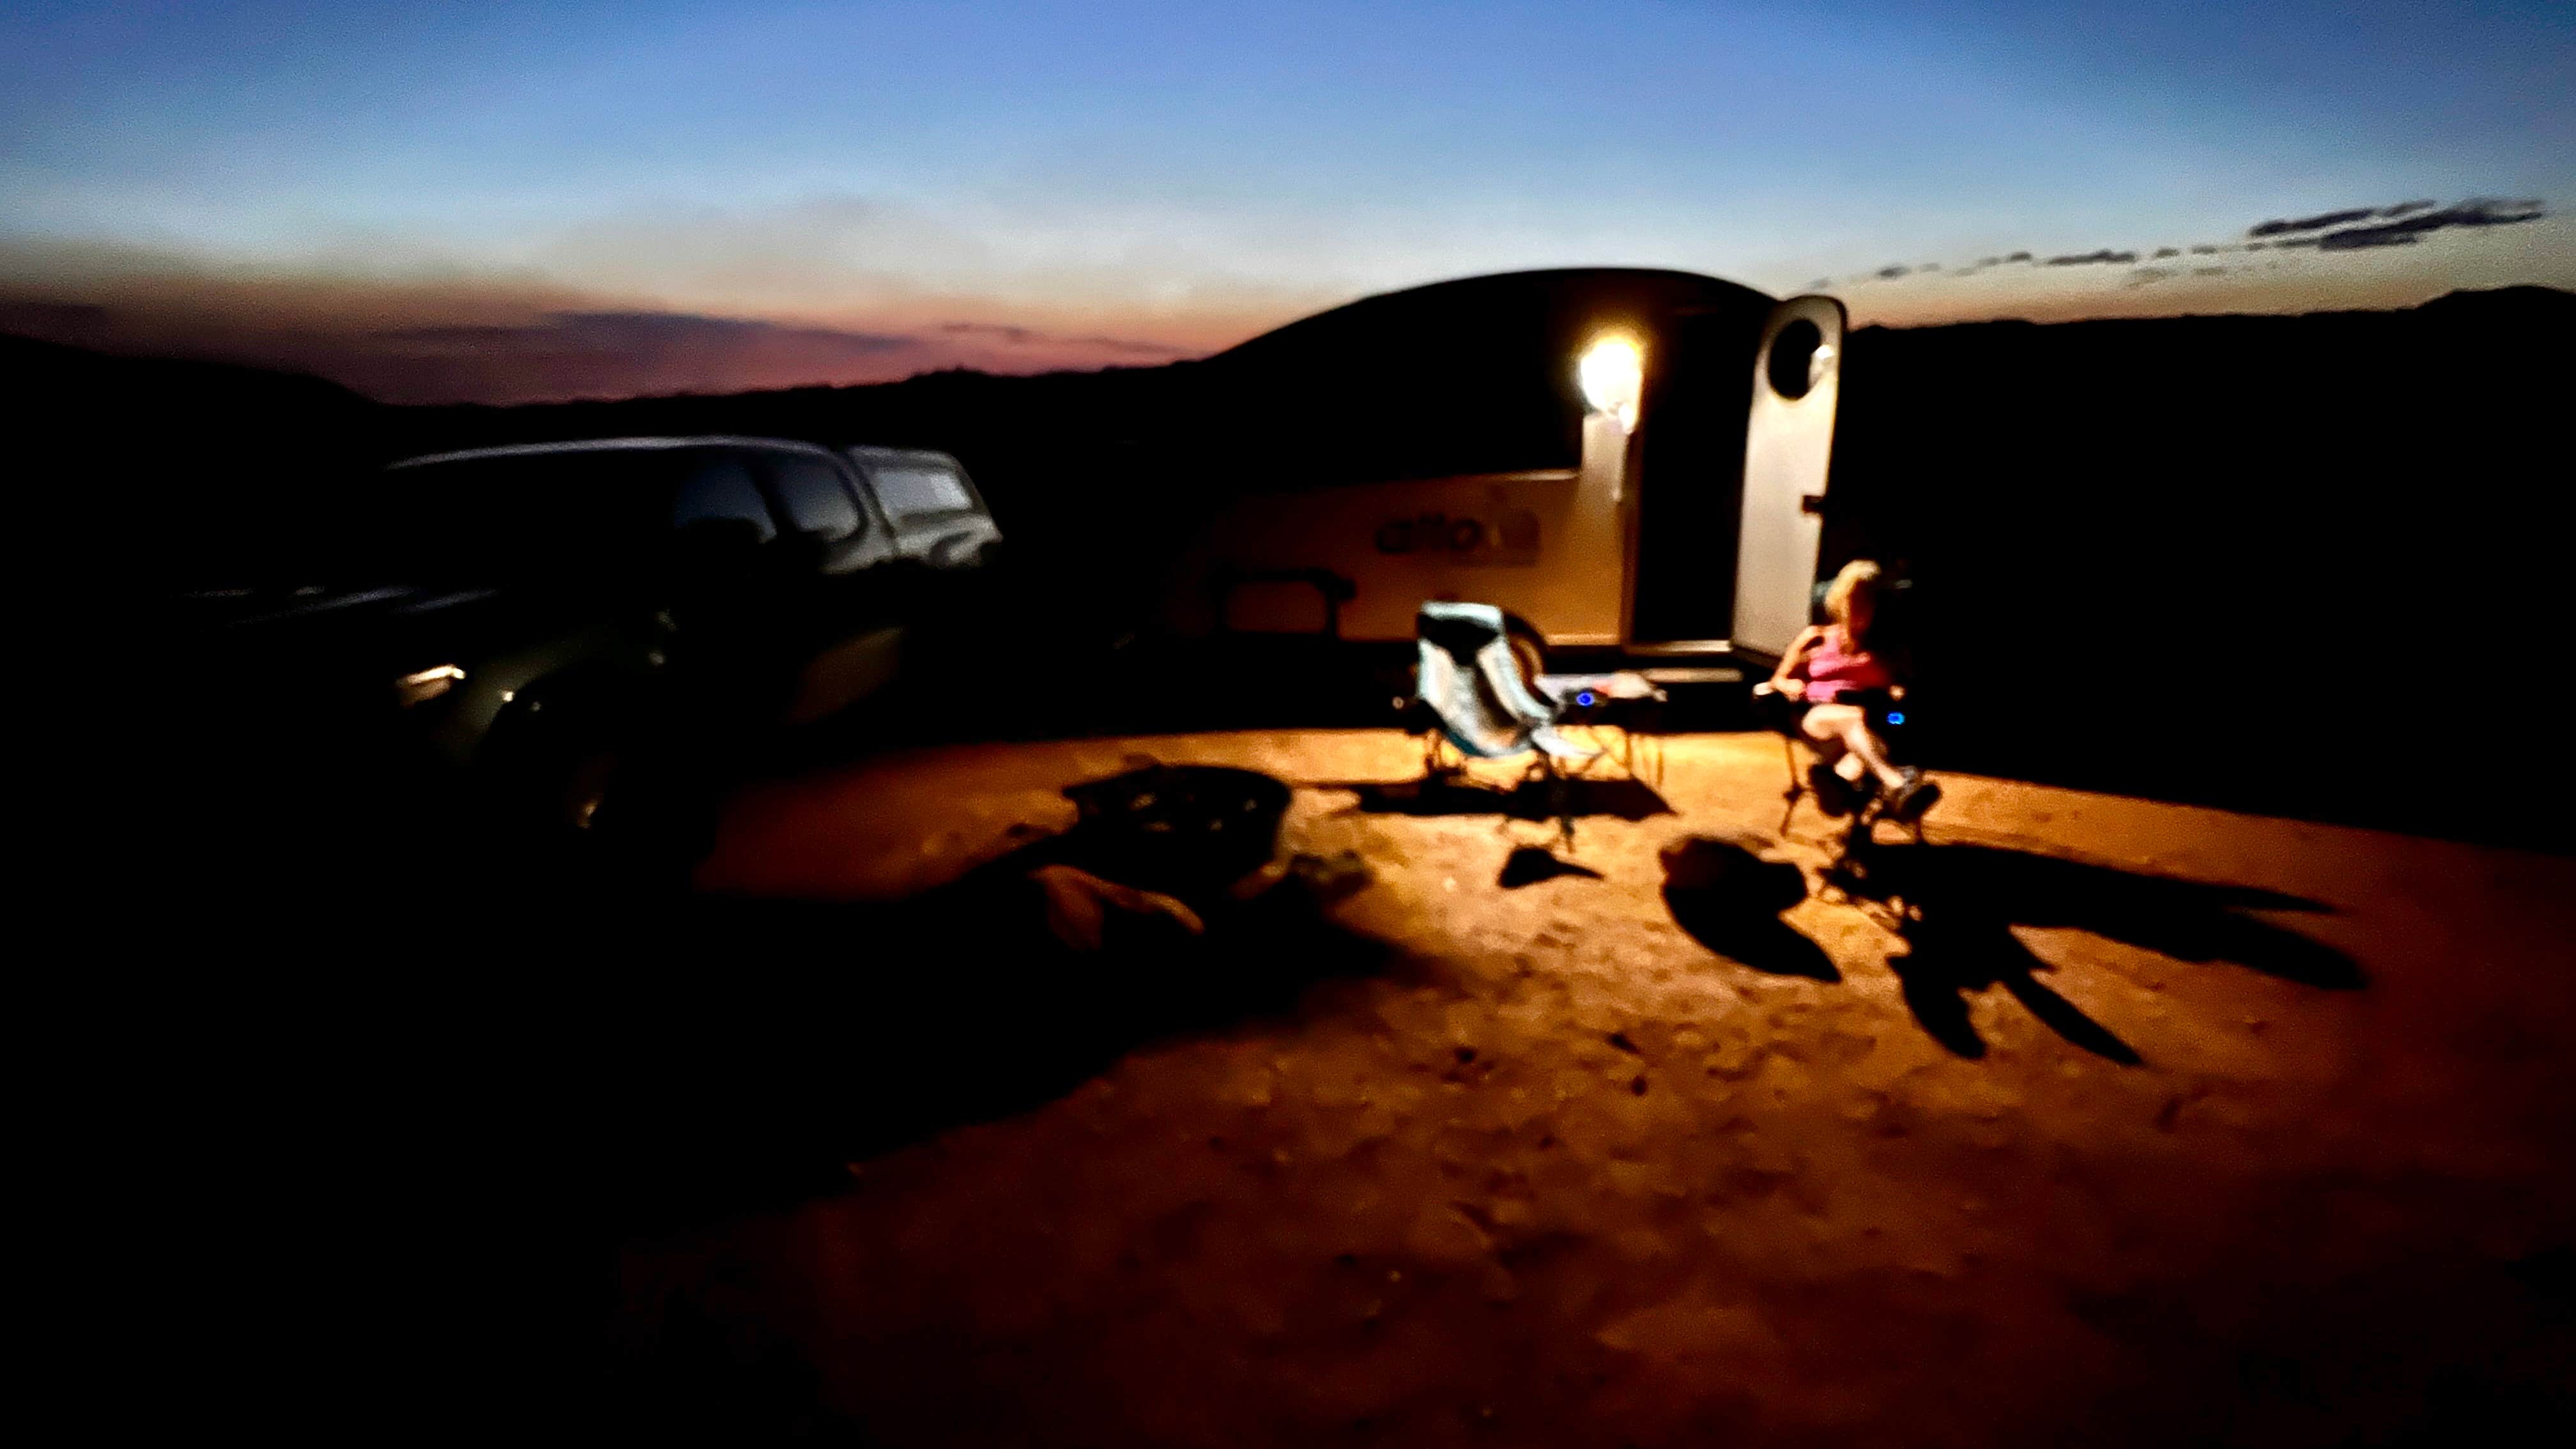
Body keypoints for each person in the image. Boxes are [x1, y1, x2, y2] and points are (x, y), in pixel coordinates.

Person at [1763, 560, 1940, 822]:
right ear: (1840, 600)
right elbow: (1778, 679)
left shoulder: (1885, 650)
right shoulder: (1817, 638)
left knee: (1861, 753)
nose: (1858, 608)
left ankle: (1838, 787)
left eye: (1866, 602)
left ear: (1876, 607)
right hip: (1819, 716)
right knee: (1855, 719)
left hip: (1870, 724)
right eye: (1853, 599)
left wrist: (1896, 692)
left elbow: (1901, 687)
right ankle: (1897, 784)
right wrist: (1789, 684)